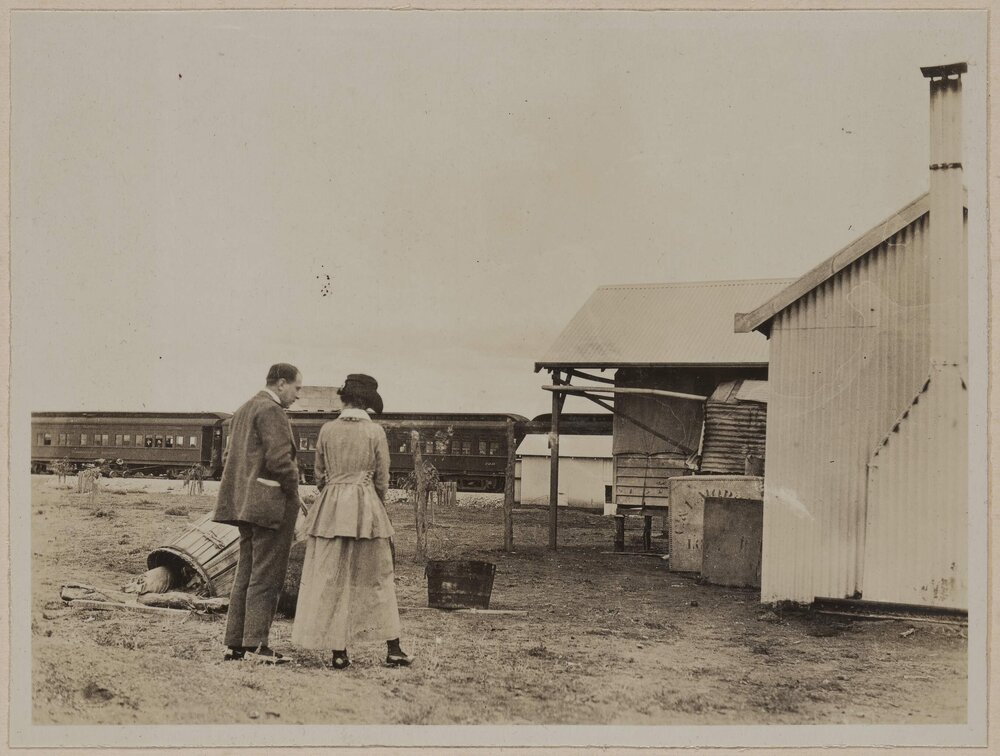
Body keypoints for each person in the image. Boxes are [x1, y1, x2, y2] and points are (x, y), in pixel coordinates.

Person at [291, 374, 411, 669]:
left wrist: (333, 493)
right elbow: (382, 478)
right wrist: (372, 501)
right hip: (365, 508)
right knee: (377, 577)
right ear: (365, 402)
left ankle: (339, 651)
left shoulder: (327, 430)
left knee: (331, 577)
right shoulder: (375, 433)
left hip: (329, 512)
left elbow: (319, 474)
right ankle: (393, 648)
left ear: (345, 399)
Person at [212, 363, 305, 663]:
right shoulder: (272, 412)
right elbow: (280, 460)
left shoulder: (242, 410)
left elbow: (229, 457)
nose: (298, 395)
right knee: (266, 576)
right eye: (297, 388)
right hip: (270, 507)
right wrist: (295, 493)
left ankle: (235, 644)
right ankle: (257, 645)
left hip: (243, 506)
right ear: (281, 384)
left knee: (246, 574)